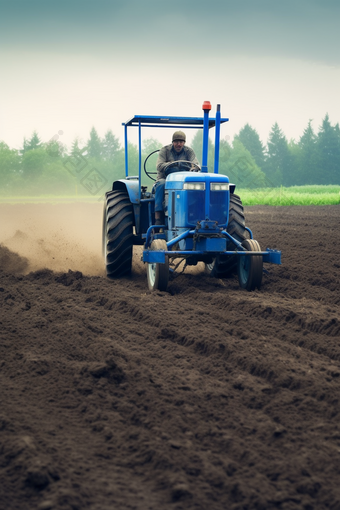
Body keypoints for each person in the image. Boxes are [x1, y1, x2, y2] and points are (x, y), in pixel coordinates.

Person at [154, 130, 200, 225]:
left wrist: (194, 168)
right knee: (161, 184)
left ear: (184, 143)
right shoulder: (165, 150)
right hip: (166, 178)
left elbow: (195, 164)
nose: (179, 144)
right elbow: (159, 165)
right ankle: (158, 217)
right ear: (172, 142)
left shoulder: (189, 151)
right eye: (176, 142)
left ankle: (195, 214)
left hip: (183, 180)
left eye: (181, 142)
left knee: (196, 187)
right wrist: (171, 164)